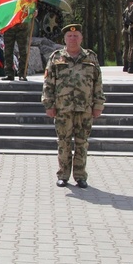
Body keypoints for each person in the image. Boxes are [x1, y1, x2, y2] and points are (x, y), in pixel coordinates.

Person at [42, 24, 105, 189]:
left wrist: (98, 104)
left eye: (76, 35)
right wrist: (49, 104)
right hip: (63, 108)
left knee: (82, 143)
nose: (73, 38)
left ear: (81, 38)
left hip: (85, 108)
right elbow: (48, 84)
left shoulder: (91, 57)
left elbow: (98, 83)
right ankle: (63, 175)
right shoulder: (56, 58)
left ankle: (80, 176)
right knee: (63, 142)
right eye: (69, 36)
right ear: (64, 39)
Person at [121, 0, 133, 72]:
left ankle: (126, 64)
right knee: (128, 47)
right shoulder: (128, 10)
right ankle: (126, 64)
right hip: (127, 30)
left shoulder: (127, 10)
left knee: (127, 47)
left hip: (126, 30)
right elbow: (127, 21)